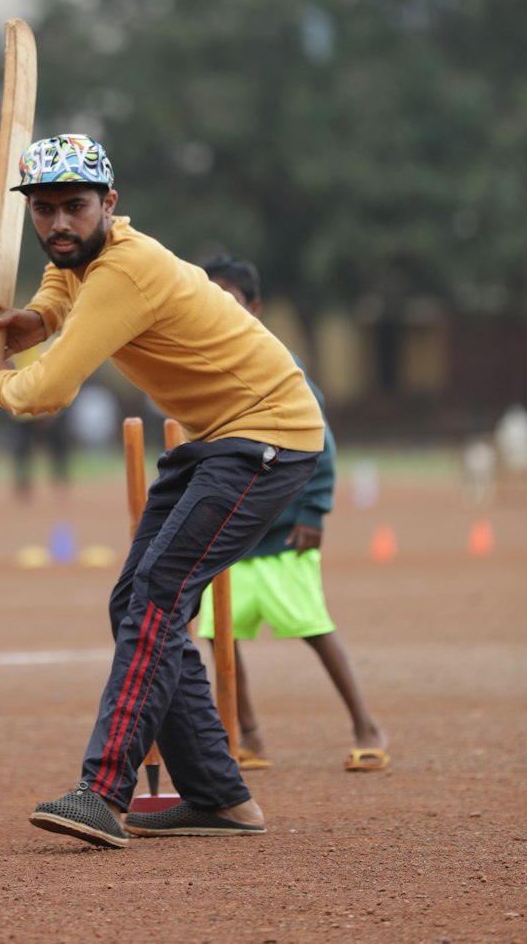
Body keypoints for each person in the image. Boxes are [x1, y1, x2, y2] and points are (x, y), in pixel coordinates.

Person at [0, 134, 325, 849]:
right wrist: (33, 321)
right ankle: (220, 799)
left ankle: (103, 793)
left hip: (268, 434)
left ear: (110, 205)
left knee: (159, 594)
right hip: (213, 437)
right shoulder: (79, 260)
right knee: (135, 599)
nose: (58, 224)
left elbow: (49, 389)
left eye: (74, 207)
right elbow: (58, 293)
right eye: (44, 210)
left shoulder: (125, 271)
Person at [194, 254, 388, 773]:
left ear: (253, 307)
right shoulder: (204, 364)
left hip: (282, 534)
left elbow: (319, 439)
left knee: (313, 628)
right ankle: (249, 734)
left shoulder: (277, 361)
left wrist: (315, 510)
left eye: (228, 300)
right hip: (231, 532)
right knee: (218, 634)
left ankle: (366, 726)